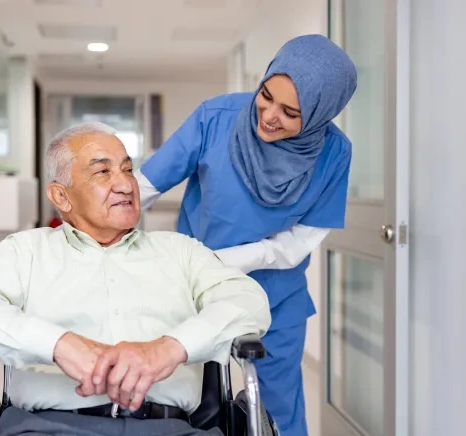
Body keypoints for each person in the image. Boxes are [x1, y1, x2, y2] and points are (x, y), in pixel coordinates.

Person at [0, 122, 271, 436]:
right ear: (61, 196)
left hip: (168, 429)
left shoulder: (181, 252)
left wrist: (168, 349)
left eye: (126, 169)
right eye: (102, 172)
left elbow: (248, 302)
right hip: (44, 428)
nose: (124, 184)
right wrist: (58, 344)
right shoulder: (25, 252)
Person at [136, 34, 357, 435]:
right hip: (193, 290)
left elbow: (301, 241)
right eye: (266, 95)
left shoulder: (334, 153)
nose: (269, 115)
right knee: (179, 402)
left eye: (290, 112)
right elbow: (145, 187)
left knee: (277, 414)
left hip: (276, 296)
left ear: (321, 115)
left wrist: (228, 259)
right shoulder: (216, 118)